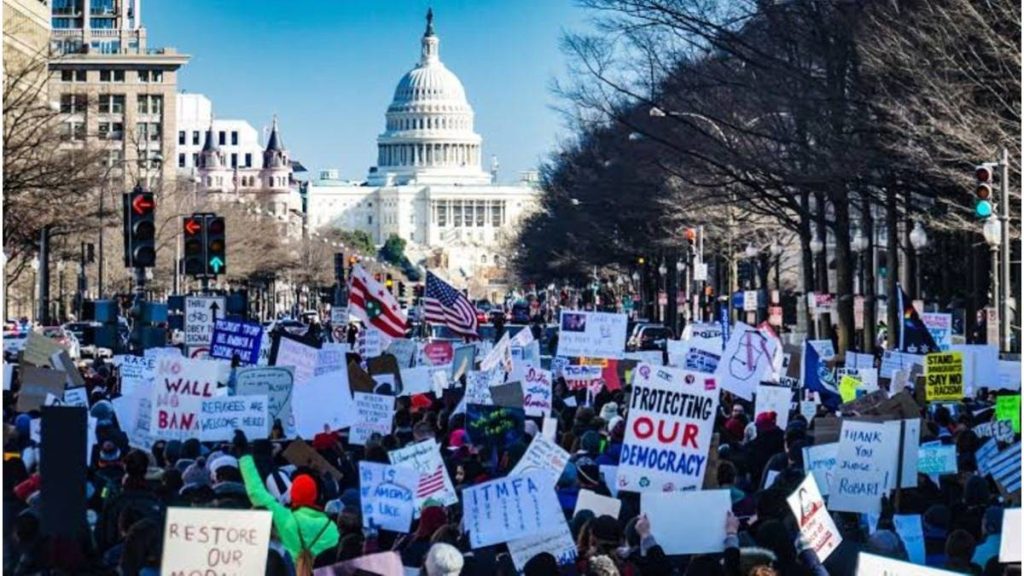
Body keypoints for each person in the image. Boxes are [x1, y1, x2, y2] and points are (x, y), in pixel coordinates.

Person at [233, 432, 339, 571]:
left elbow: (256, 492)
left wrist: (244, 455)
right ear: (315, 496)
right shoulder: (331, 527)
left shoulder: (285, 519)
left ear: (292, 494)